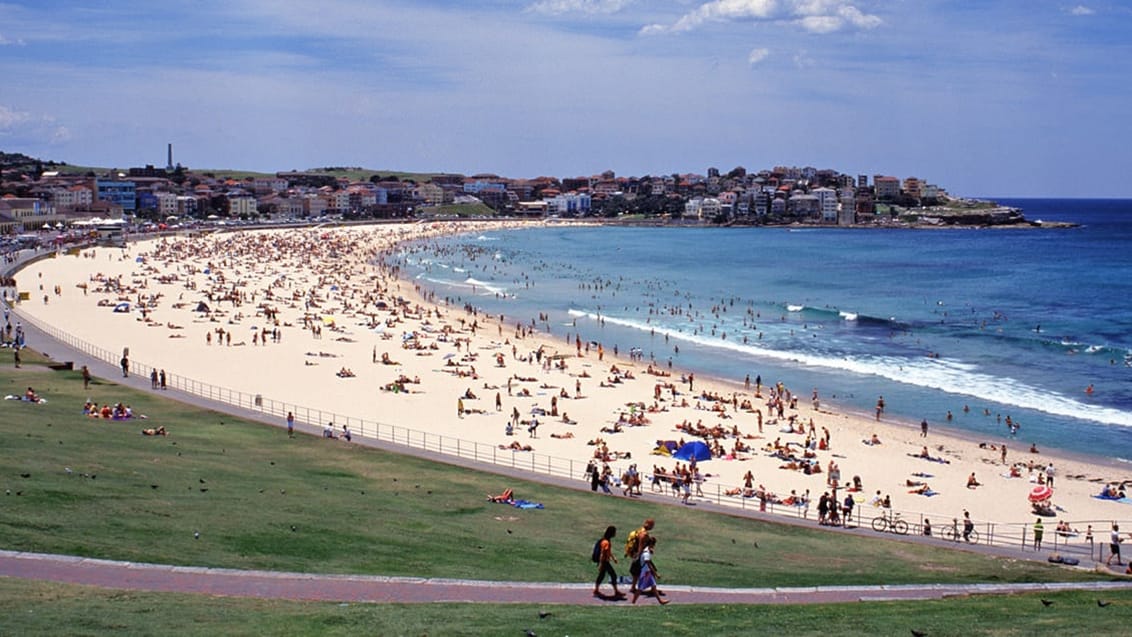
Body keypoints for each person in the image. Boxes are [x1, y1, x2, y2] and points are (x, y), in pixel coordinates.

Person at [631, 536, 669, 605]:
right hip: (645, 573)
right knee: (640, 588)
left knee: (653, 586)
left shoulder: (646, 551)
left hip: (647, 572)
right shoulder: (646, 553)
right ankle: (633, 602)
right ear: (651, 544)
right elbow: (648, 564)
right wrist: (656, 574)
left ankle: (660, 601)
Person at [593, 525, 623, 598]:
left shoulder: (605, 540)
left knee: (601, 575)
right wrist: (601, 564)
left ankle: (596, 590)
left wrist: (613, 558)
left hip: (605, 561)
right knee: (613, 575)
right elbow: (603, 553)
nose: (615, 533)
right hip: (604, 562)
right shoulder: (606, 542)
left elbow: (608, 552)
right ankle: (616, 591)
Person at [629, 518, 655, 594]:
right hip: (642, 556)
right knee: (651, 571)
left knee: (636, 573)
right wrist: (639, 556)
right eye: (652, 525)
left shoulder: (640, 531)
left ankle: (633, 587)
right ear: (648, 524)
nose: (652, 527)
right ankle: (652, 589)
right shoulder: (644, 534)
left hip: (639, 555)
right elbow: (641, 545)